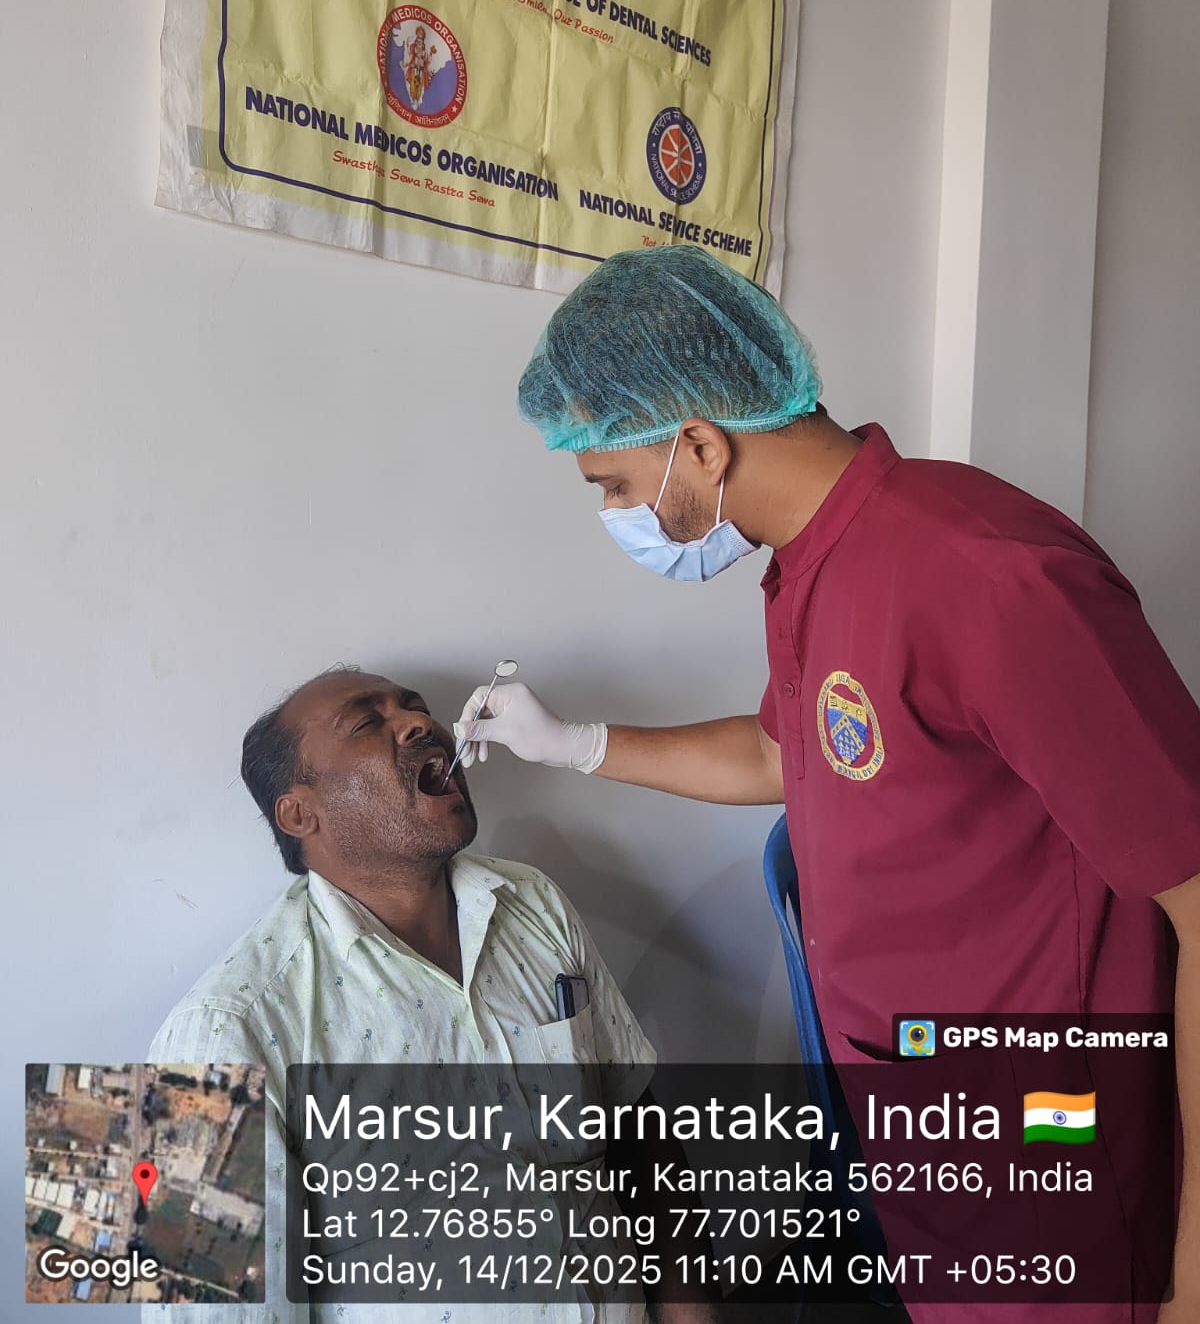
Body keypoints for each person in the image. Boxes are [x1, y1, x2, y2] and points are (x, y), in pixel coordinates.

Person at [453, 243, 1200, 1324]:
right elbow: (780, 754)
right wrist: (577, 744)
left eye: (612, 483)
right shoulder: (811, 562)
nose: (613, 512)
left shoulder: (987, 575)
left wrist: (1192, 1279)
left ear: (700, 444)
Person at [143, 666, 664, 1324]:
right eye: (368, 722)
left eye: (414, 707)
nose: (421, 723)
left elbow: (641, 1133)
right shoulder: (215, 1034)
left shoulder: (533, 900)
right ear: (300, 812)